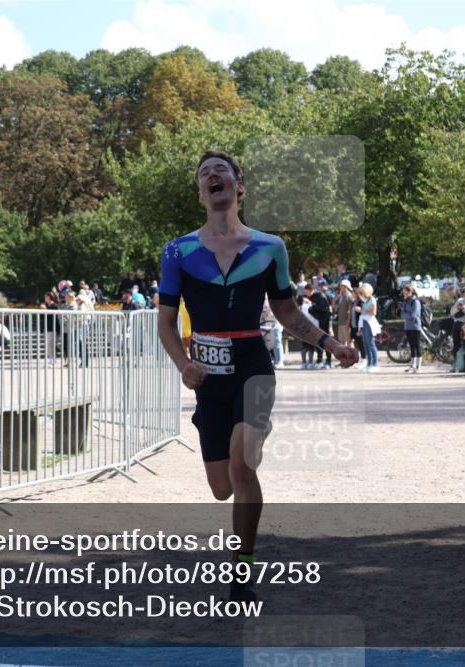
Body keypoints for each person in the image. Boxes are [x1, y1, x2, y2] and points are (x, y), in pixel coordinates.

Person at [156, 150, 357, 602]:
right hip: (206, 372)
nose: (213, 176)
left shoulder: (270, 248)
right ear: (200, 192)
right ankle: (237, 453)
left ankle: (242, 567)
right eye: (204, 173)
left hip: (253, 365)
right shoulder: (178, 250)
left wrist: (331, 343)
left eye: (221, 171)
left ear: (238, 188)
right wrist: (183, 365)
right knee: (221, 487)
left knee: (243, 465)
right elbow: (165, 322)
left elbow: (286, 311)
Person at [355, 283, 380, 372]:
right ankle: (370, 364)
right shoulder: (366, 301)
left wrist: (362, 310)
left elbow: (374, 312)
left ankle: (375, 364)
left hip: (369, 323)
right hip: (365, 323)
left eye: (362, 292)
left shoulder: (372, 300)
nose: (361, 294)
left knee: (371, 344)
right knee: (366, 344)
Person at [307, 282, 332, 369]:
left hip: (324, 323)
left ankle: (328, 361)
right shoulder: (311, 298)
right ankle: (319, 360)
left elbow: (324, 309)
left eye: (307, 291)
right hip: (317, 322)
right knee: (318, 342)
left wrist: (313, 307)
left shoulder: (320, 296)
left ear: (311, 290)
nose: (306, 293)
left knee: (326, 341)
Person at [401, 283, 422, 373]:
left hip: (415, 326)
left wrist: (406, 314)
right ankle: (412, 364)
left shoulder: (415, 302)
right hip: (408, 326)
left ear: (410, 292)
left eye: (405, 292)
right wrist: (406, 315)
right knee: (411, 346)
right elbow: (402, 314)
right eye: (403, 293)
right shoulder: (405, 302)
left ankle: (418, 366)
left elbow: (413, 315)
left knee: (417, 345)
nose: (404, 294)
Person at [334, 280, 353, 348]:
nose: (340, 287)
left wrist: (348, 322)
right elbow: (336, 307)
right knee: (342, 340)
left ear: (346, 287)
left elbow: (350, 310)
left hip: (346, 322)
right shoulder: (341, 295)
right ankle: (345, 356)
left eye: (342, 286)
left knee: (349, 340)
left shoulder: (349, 296)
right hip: (341, 321)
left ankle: (352, 356)